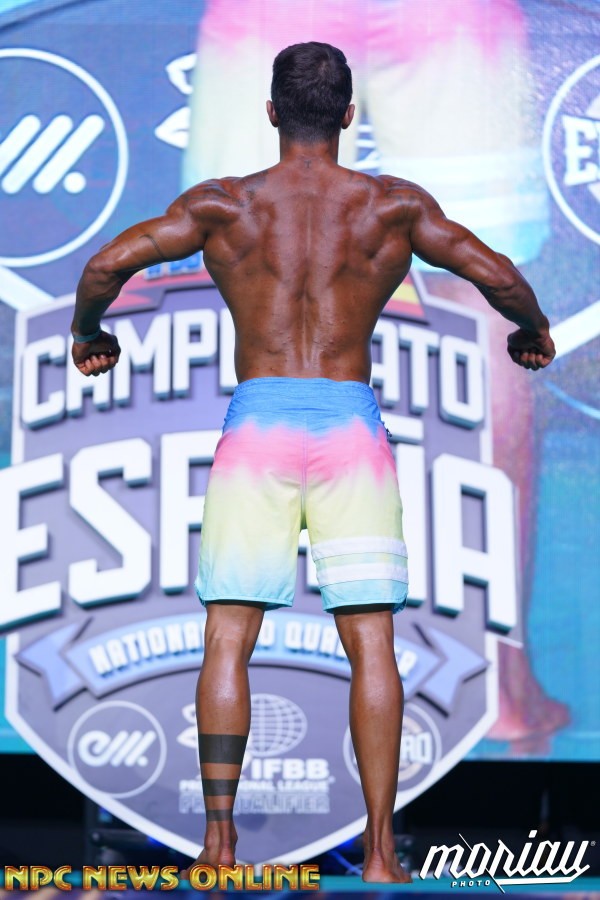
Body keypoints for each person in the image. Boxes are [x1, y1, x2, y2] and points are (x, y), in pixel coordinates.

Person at [71, 42, 555, 884]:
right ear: (349, 115)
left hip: (258, 427)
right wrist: (532, 329)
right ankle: (380, 853)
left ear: (270, 113)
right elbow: (497, 274)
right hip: (348, 432)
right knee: (372, 642)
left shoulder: (224, 205)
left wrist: (89, 332)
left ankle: (218, 845)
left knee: (229, 636)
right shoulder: (391, 207)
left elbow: (108, 264)